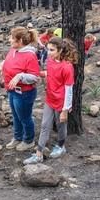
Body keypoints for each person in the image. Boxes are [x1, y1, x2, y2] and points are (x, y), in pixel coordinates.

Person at [24, 37, 77, 165]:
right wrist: (40, 74)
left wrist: (65, 110)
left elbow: (69, 90)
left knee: (61, 125)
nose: (48, 52)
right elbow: (50, 73)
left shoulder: (67, 67)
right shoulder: (50, 60)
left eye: (52, 50)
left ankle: (61, 145)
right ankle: (39, 153)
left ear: (60, 51)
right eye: (48, 49)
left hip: (61, 102)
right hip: (50, 98)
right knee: (44, 125)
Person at [0, 27, 40, 152]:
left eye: (12, 38)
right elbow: (10, 60)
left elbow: (34, 76)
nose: (9, 40)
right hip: (12, 90)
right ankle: (17, 137)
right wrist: (2, 64)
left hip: (24, 93)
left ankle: (28, 140)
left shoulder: (30, 56)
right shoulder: (14, 50)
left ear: (20, 40)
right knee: (15, 116)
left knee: (25, 118)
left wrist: (20, 75)